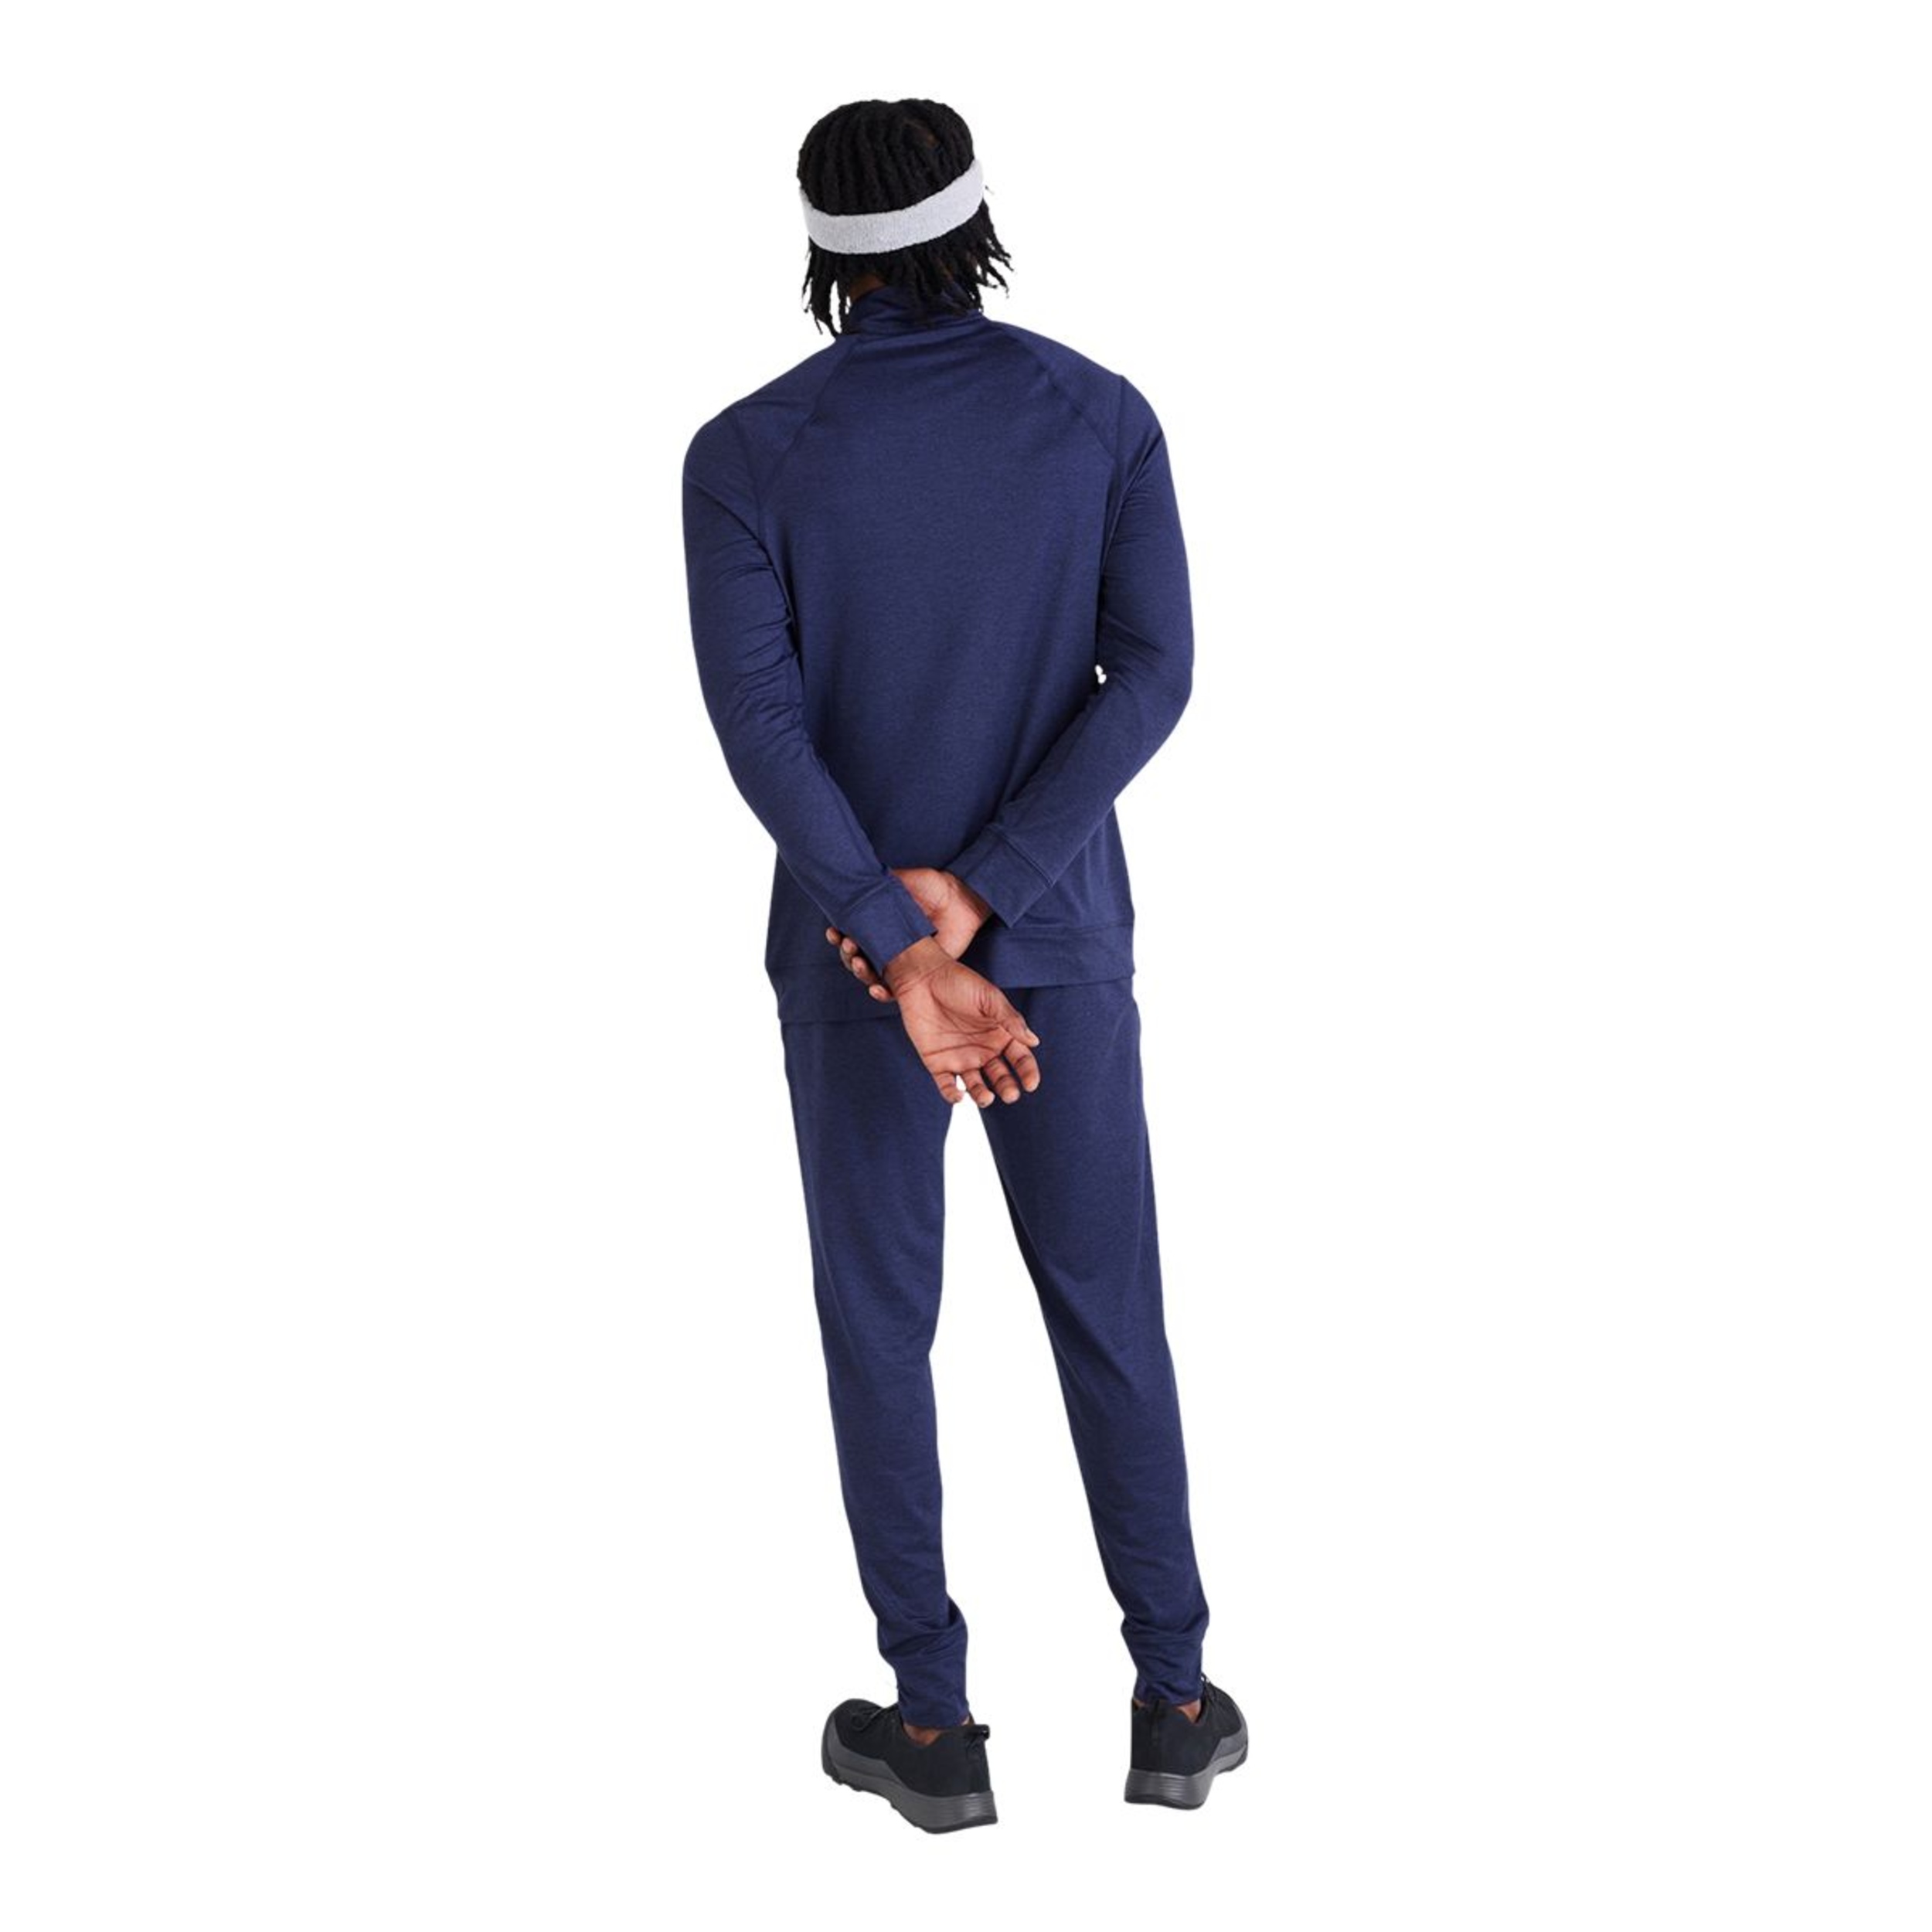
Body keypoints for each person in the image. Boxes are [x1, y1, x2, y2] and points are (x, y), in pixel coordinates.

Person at [680, 97, 1247, 1832]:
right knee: (1109, 1308)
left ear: (819, 250)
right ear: (976, 222)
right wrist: (990, 892)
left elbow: (761, 731)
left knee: (879, 1323)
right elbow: (1155, 671)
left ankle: (932, 1729)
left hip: (859, 967)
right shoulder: (1097, 415)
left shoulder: (746, 453)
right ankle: (1172, 1699)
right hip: (1054, 938)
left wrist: (898, 930)